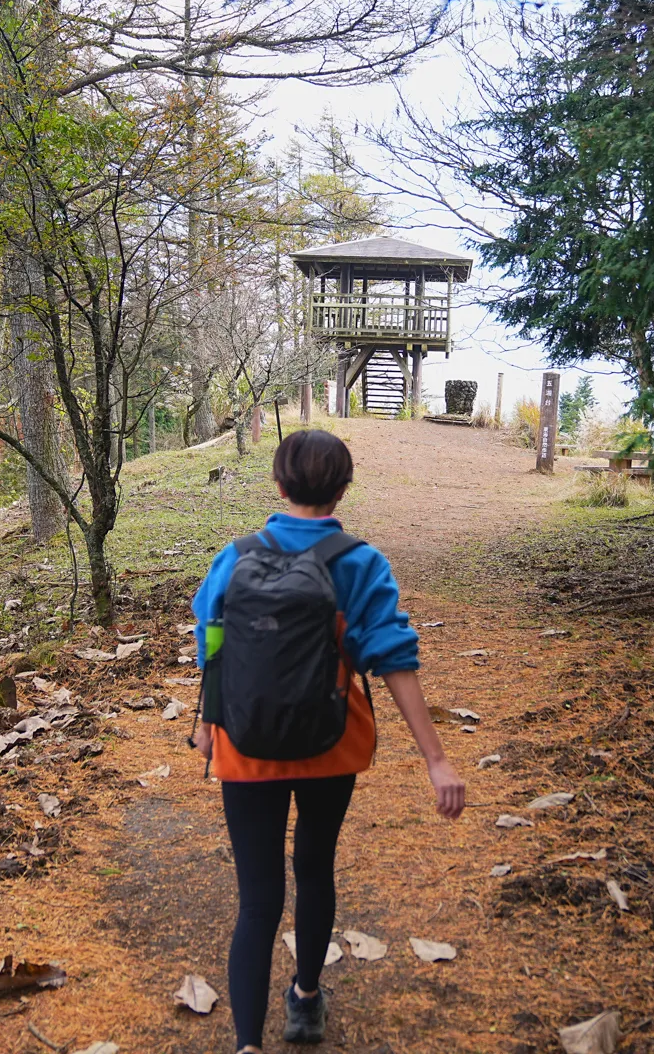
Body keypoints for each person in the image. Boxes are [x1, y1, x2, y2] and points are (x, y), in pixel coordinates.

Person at [192, 429, 466, 1052]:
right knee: (314, 868)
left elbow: (211, 638)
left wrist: (206, 725)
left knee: (257, 899)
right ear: (344, 488)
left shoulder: (235, 556)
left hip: (245, 747)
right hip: (330, 747)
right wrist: (437, 759)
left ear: (279, 485)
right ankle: (306, 998)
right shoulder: (360, 563)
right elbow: (394, 659)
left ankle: (246, 1046)